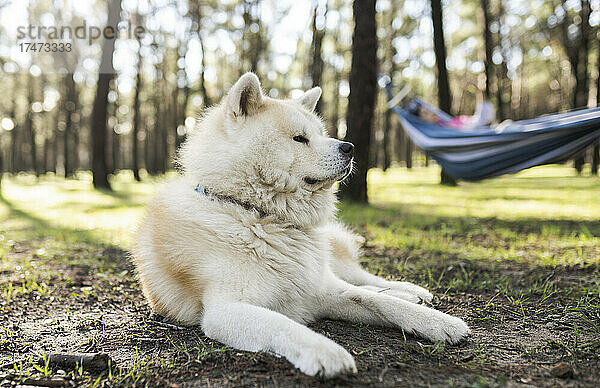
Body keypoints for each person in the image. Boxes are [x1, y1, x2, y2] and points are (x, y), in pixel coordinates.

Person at [408, 90, 495, 130]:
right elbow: (468, 128)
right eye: (426, 113)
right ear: (423, 121)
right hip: (473, 125)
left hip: (472, 121)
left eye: (428, 110)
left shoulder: (442, 121)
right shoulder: (440, 128)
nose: (431, 112)